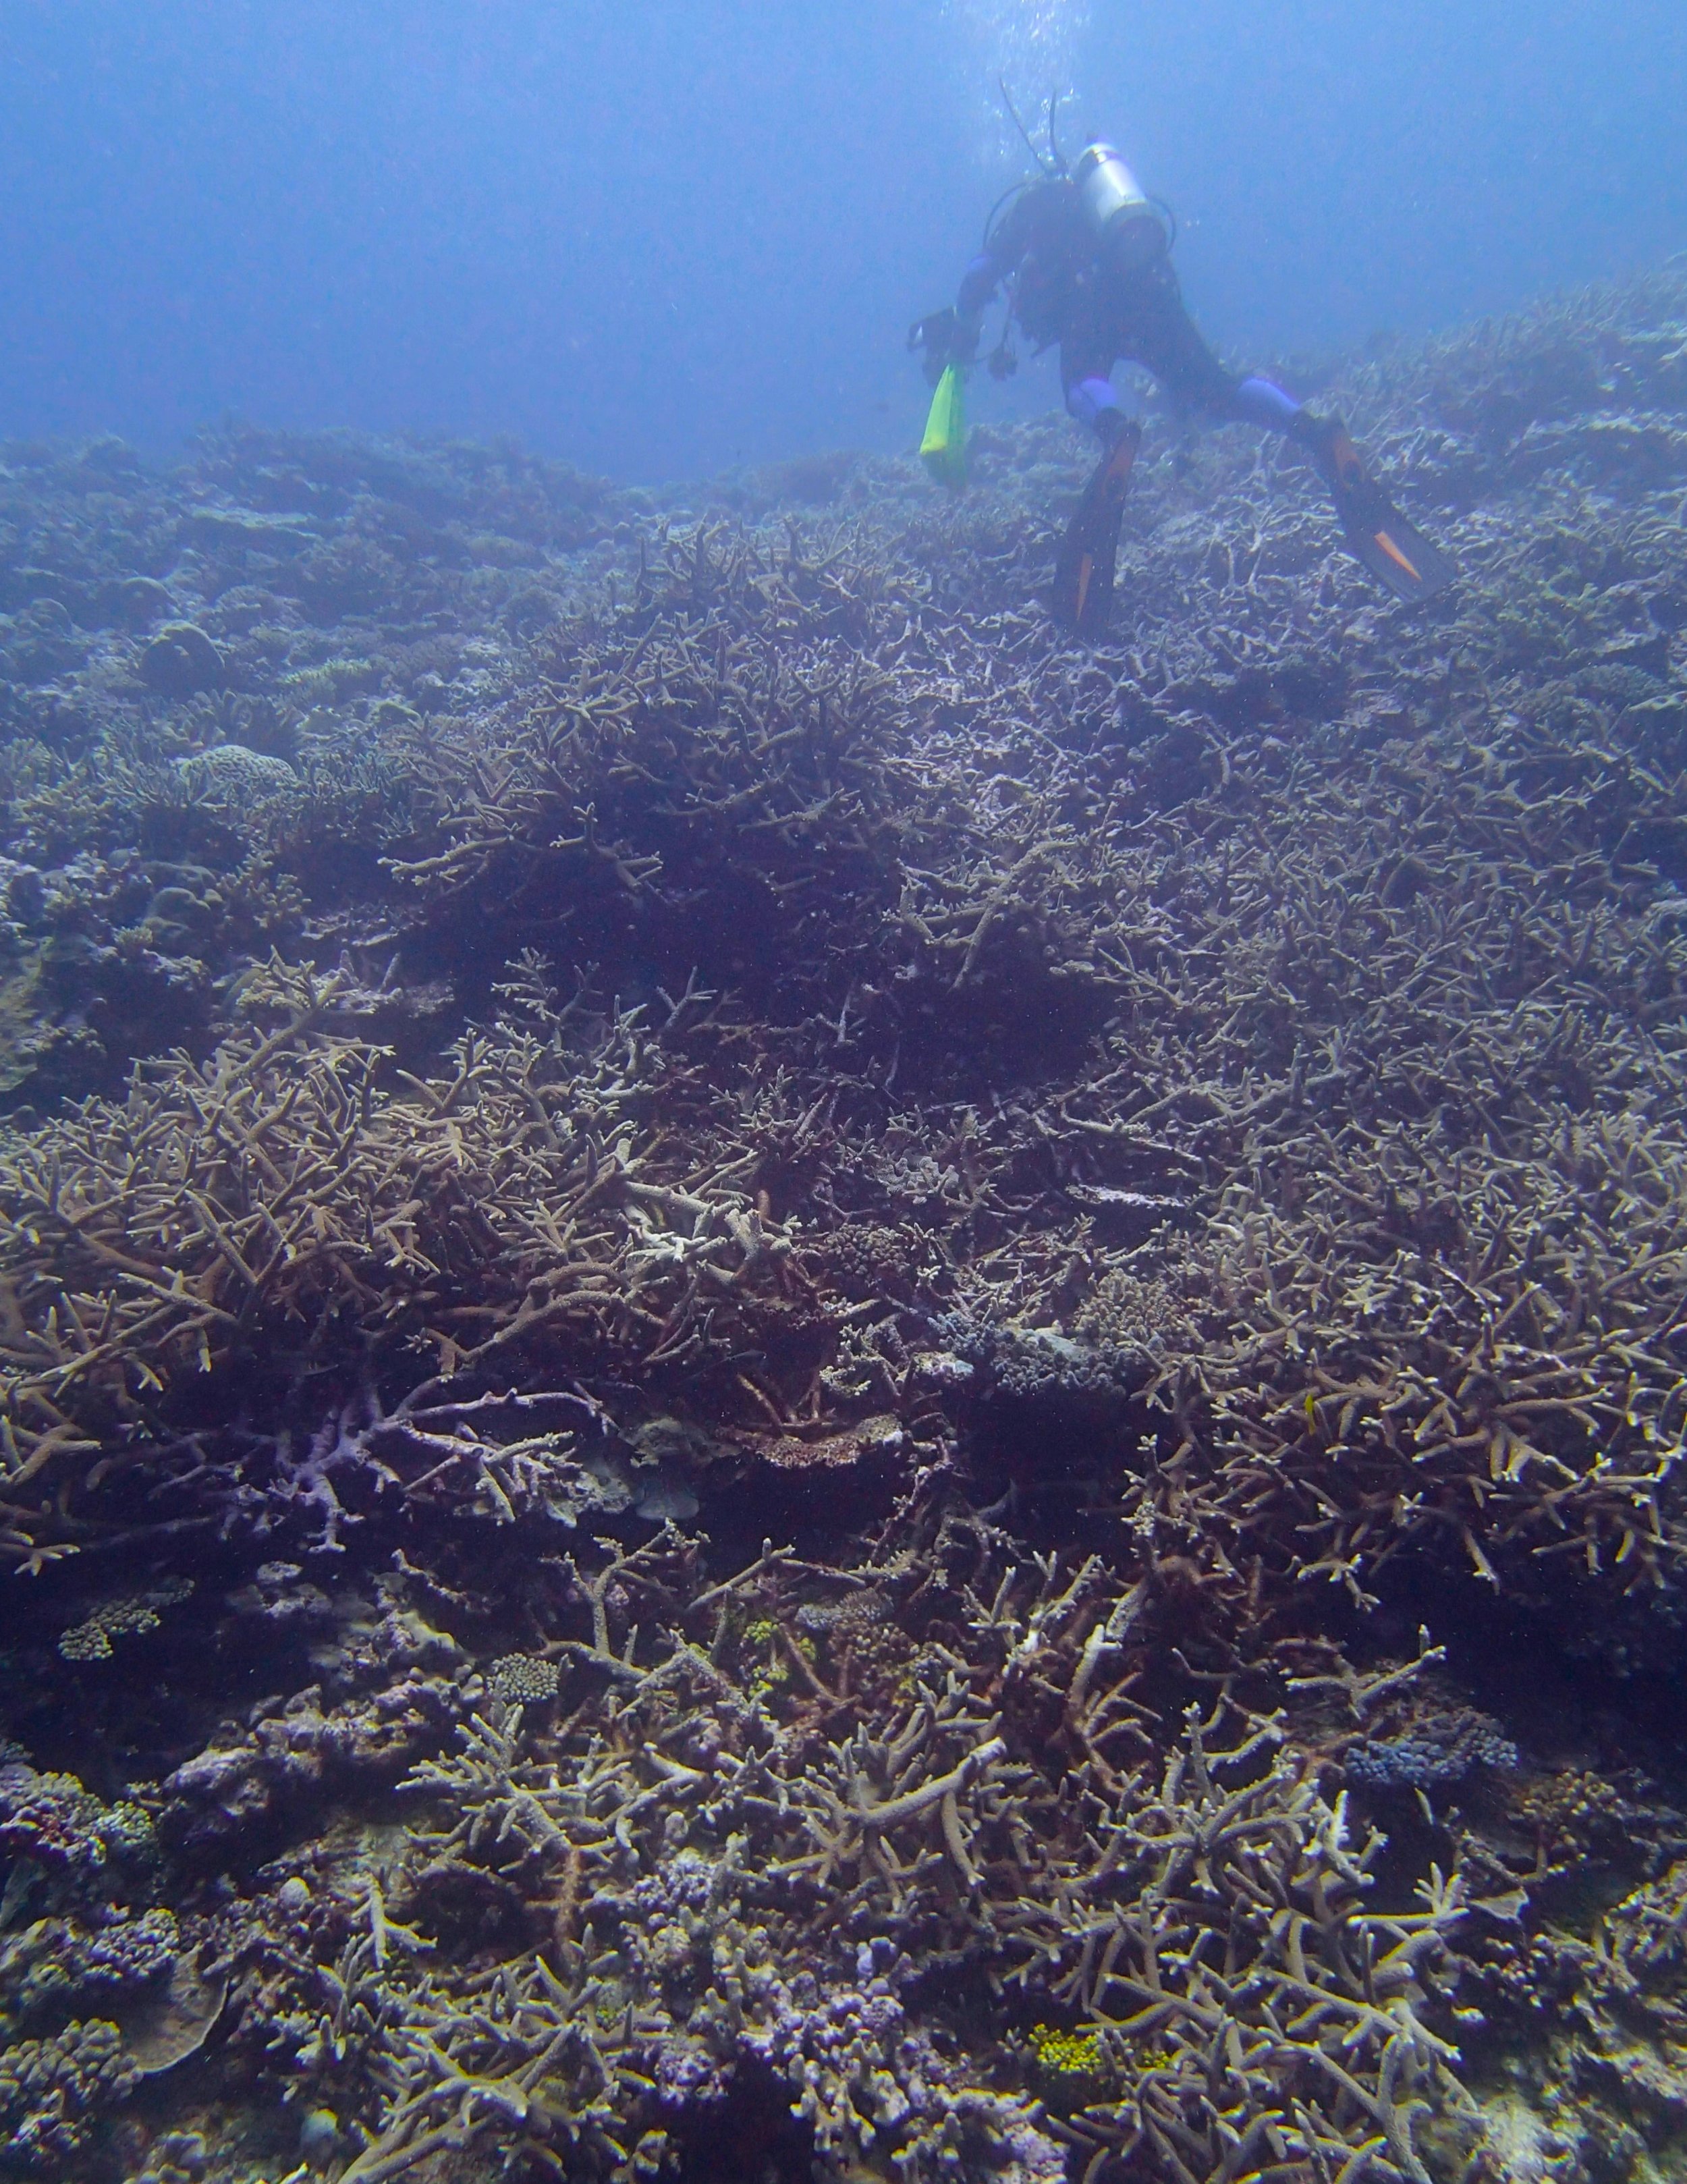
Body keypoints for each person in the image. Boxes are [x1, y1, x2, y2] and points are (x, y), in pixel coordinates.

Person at [911, 140, 1453, 634]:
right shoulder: (1123, 218)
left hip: (1091, 301)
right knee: (1217, 387)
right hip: (1150, 291)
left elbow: (981, 273)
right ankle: (1312, 431)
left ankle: (1116, 431)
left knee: (1083, 383)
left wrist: (962, 322)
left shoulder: (1036, 207)